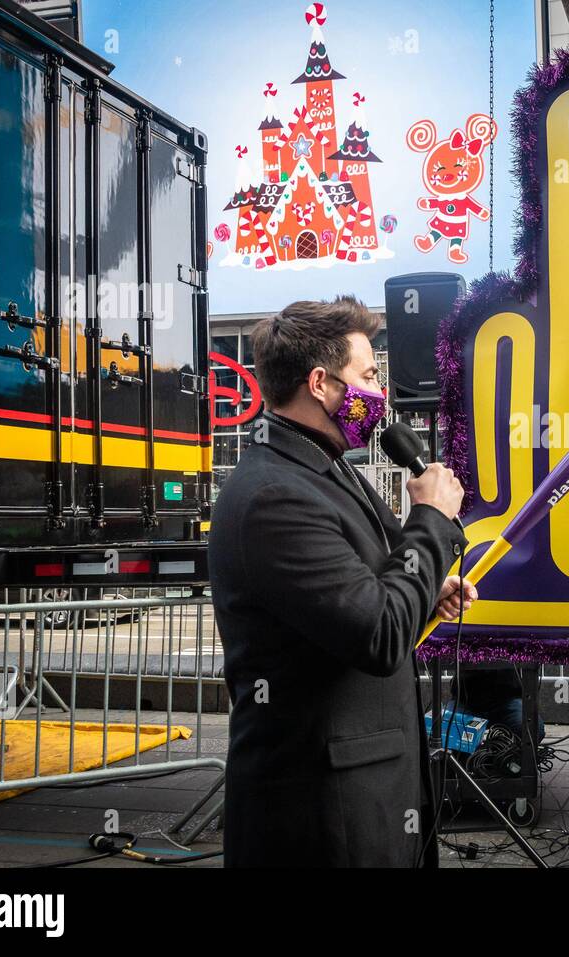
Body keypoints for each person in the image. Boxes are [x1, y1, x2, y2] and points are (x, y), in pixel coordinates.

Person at [209, 296, 476, 867]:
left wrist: (428, 591)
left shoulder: (324, 468)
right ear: (322, 384)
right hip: (322, 815)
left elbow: (368, 590)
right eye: (369, 375)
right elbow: (377, 632)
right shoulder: (274, 496)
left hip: (370, 794)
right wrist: (429, 523)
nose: (380, 393)